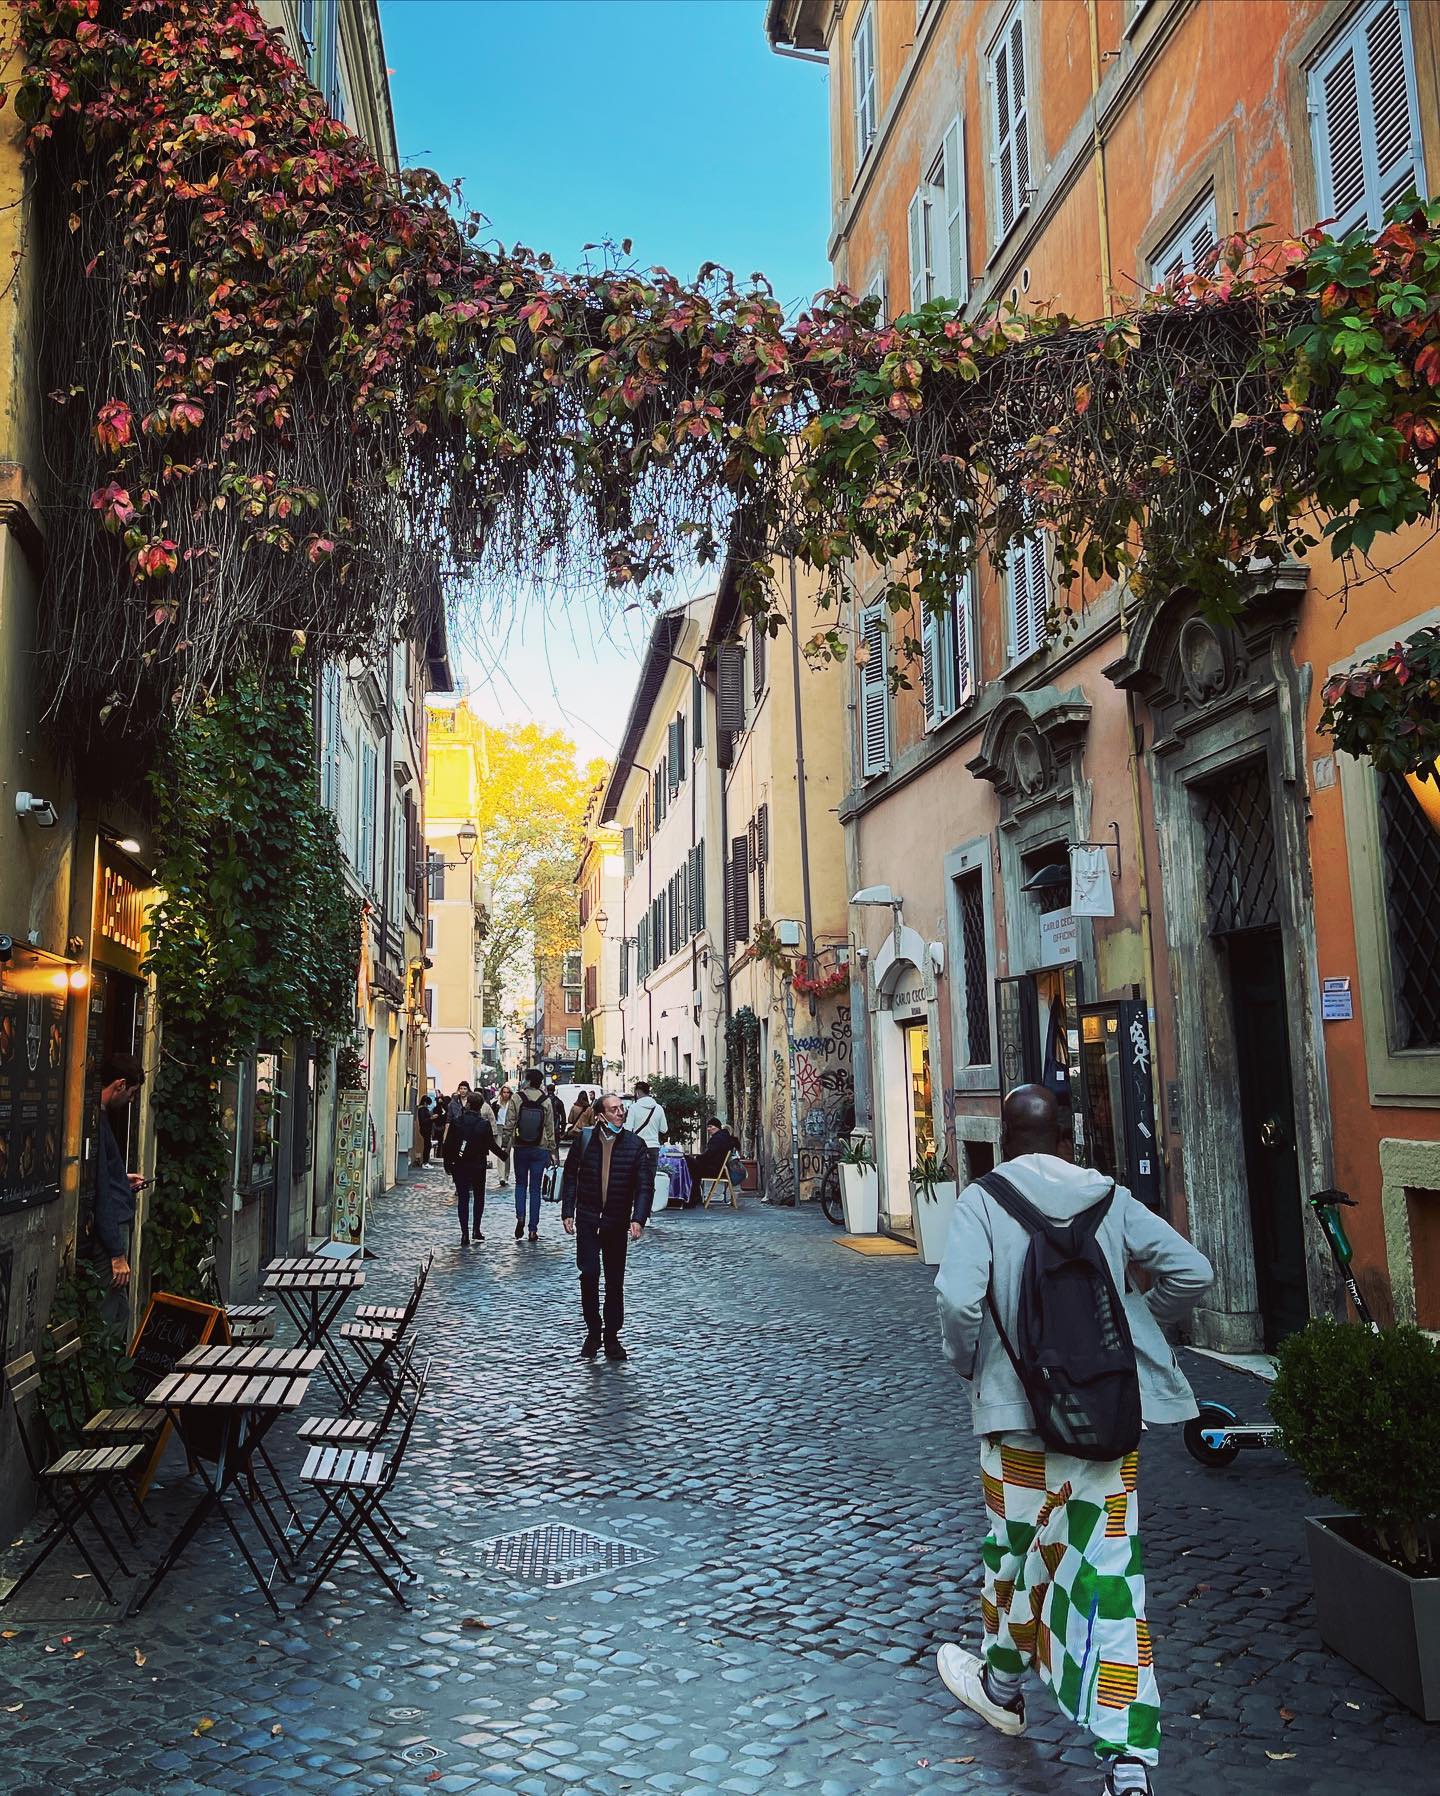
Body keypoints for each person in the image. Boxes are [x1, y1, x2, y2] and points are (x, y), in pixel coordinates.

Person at [933, 1084, 1214, 1796]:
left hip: (1016, 1423)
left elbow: (958, 1301)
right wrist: (1135, 1320)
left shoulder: (981, 1202)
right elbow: (1194, 1272)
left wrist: (973, 1366)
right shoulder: (1108, 1198)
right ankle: (1128, 1763)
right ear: (1065, 1138)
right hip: (1105, 1419)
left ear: (1004, 1141)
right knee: (1109, 1575)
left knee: (1016, 1555)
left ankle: (1001, 1686)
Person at [560, 1091, 654, 1361]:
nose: (620, 1113)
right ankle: (593, 1331)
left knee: (614, 1280)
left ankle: (612, 1336)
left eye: (622, 1108)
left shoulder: (635, 1145)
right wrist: (568, 1211)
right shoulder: (585, 1141)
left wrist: (638, 1218)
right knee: (589, 1275)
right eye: (614, 1109)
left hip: (616, 1220)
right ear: (601, 1115)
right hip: (588, 1218)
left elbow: (644, 1185)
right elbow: (570, 1176)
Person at [83, 1052, 147, 1332]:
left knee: (119, 1310)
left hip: (113, 1228)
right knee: (110, 1315)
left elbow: (105, 1178)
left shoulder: (100, 1118)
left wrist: (122, 1179)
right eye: (131, 1094)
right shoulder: (97, 1121)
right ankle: (107, 1361)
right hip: (111, 1234)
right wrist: (117, 1253)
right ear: (120, 1085)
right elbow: (100, 1189)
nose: (131, 1101)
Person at [504, 1069, 556, 1241]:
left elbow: (509, 1123)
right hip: (540, 1148)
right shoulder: (545, 1100)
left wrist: (505, 1144)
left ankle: (520, 1216)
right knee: (535, 1189)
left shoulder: (517, 1098)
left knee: (520, 1184)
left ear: (526, 1080)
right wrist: (552, 1150)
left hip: (521, 1147)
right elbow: (550, 1128)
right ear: (540, 1082)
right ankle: (533, 1229)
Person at [450, 1092, 506, 1244]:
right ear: (481, 1107)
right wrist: (503, 1156)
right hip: (478, 1165)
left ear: (468, 1104)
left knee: (463, 1199)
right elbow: (491, 1144)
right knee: (479, 1197)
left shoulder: (457, 1122)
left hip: (460, 1164)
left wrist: (448, 1164)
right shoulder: (483, 1124)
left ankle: (464, 1233)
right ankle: (476, 1229)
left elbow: (449, 1144)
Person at [685, 1115, 739, 1201]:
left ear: (717, 1127)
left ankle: (693, 1196)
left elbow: (709, 1155)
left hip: (715, 1170)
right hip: (718, 1168)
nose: (708, 1129)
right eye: (708, 1127)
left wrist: (697, 1158)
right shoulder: (723, 1137)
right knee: (692, 1164)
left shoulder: (717, 1139)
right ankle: (695, 1195)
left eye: (710, 1126)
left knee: (689, 1164)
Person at [626, 1079, 666, 1169]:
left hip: (637, 1147)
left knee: (637, 1174)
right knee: (651, 1174)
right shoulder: (659, 1108)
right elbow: (664, 1129)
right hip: (653, 1147)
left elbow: (628, 1130)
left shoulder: (633, 1108)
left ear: (637, 1092)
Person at [416, 1094, 434, 1166]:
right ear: (425, 1102)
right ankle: (425, 1162)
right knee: (427, 1145)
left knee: (428, 1145)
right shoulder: (422, 1109)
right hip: (425, 1129)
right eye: (428, 1104)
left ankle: (426, 1161)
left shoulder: (422, 1109)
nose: (428, 1106)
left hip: (426, 1129)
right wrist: (431, 1118)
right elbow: (423, 1120)